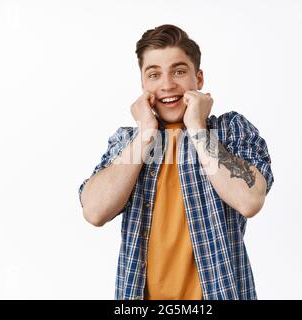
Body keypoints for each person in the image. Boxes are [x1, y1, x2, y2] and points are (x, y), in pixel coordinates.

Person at [78, 24, 274, 300]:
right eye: (154, 74)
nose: (167, 85)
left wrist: (196, 127)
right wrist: (145, 133)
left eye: (179, 71)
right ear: (143, 85)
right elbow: (94, 211)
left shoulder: (230, 131)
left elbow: (249, 200)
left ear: (199, 78)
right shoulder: (127, 143)